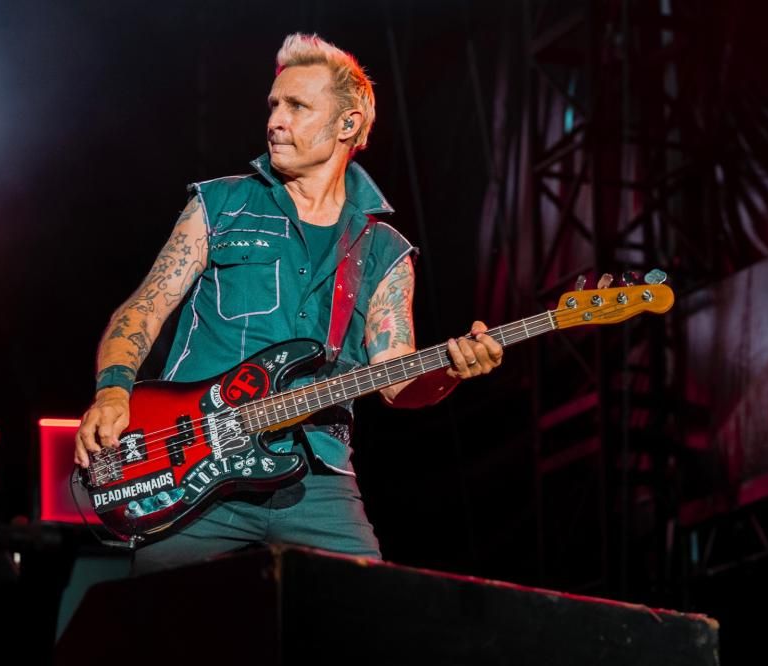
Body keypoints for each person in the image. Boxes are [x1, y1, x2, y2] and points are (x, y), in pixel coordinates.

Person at [73, 33, 503, 574]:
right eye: (274, 105)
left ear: (347, 124)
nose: (276, 120)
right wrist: (112, 392)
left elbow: (396, 381)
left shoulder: (384, 251)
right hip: (191, 465)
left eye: (297, 106)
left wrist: (452, 371)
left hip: (317, 480)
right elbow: (143, 309)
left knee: (374, 613)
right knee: (169, 618)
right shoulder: (221, 205)